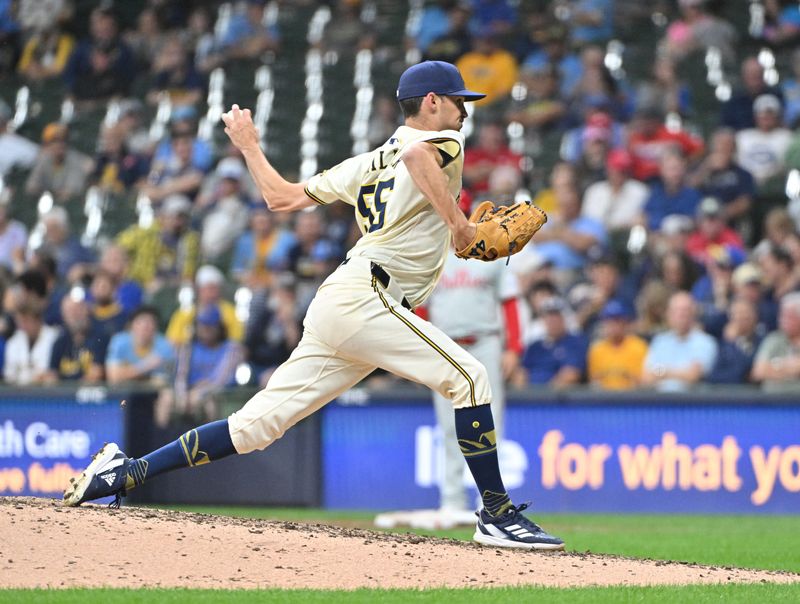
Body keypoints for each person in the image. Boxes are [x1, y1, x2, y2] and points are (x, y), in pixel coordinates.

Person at [63, 61, 564, 550]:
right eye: (458, 101)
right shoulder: (439, 142)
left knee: (255, 427)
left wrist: (249, 146)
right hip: (368, 296)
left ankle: (121, 474)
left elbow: (280, 198)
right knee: (470, 378)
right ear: (430, 102)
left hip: (344, 302)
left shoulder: (363, 164)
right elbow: (416, 160)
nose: (465, 111)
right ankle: (497, 515)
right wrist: (459, 226)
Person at [424, 242, 523, 521]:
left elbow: (510, 300)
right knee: (447, 426)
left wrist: (513, 348)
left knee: (492, 423)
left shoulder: (492, 253)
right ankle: (452, 500)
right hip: (444, 344)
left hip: (485, 343)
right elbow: (420, 305)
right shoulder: (433, 254)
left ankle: (492, 502)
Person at [641, 291, 718, 391]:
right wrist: (678, 372)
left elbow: (692, 375)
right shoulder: (660, 341)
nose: (681, 315)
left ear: (693, 313)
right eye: (676, 311)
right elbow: (646, 376)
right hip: (661, 401)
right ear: (668, 314)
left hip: (692, 402)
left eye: (685, 310)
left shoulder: (705, 342)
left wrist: (662, 372)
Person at [105, 305, 175, 386]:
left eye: (150, 323)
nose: (144, 327)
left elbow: (163, 382)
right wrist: (146, 366)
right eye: (140, 322)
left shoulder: (165, 346)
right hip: (124, 391)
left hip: (153, 394)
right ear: (131, 325)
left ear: (156, 327)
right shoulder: (119, 341)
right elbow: (113, 377)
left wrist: (127, 373)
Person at [587, 299, 648, 390]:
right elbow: (595, 382)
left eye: (617, 321)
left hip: (632, 399)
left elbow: (643, 381)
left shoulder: (639, 347)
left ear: (625, 323)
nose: (613, 325)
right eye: (609, 321)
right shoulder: (597, 350)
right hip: (604, 399)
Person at [752, 292, 800, 392]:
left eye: (789, 316)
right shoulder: (773, 339)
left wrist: (776, 366)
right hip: (773, 402)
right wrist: (789, 368)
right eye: (782, 316)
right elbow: (759, 372)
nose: (783, 320)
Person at [3, 301, 59, 385]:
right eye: (20, 321)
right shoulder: (14, 341)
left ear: (38, 320)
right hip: (17, 393)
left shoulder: (54, 338)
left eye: (26, 321)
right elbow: (9, 374)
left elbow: (51, 372)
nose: (23, 326)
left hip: (46, 393)